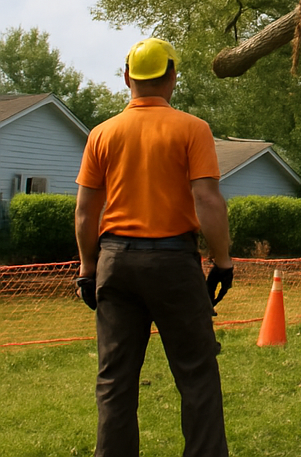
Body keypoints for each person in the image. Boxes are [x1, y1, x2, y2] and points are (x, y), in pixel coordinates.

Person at [74, 38, 234, 457]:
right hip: (173, 263)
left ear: (127, 77)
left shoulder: (102, 134)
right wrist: (222, 262)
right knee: (197, 373)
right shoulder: (192, 129)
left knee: (115, 379)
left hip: (115, 261)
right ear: (172, 77)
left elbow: (86, 213)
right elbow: (208, 200)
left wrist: (88, 270)